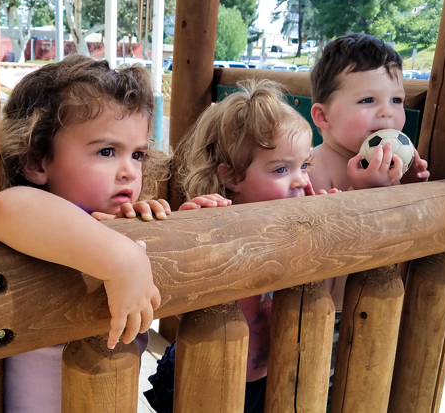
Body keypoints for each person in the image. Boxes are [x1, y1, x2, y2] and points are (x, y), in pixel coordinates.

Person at [0, 55, 228, 412]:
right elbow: (4, 207)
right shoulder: (33, 217)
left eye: (139, 154)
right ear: (37, 161)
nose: (129, 171)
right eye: (107, 151)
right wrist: (122, 258)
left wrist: (182, 228)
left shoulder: (113, 219)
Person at [144, 79, 339, 413]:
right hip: (202, 376)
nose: (301, 180)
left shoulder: (292, 227)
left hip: (268, 379)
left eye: (304, 165)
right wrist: (195, 238)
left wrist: (326, 234)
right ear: (232, 177)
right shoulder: (214, 220)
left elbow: (330, 294)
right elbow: (178, 309)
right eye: (282, 169)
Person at [308, 32, 430, 396]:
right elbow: (312, 237)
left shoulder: (390, 162)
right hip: (322, 314)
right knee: (316, 392)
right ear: (322, 116)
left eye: (396, 100)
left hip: (372, 305)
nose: (387, 112)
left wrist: (408, 188)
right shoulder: (312, 167)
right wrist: (359, 192)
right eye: (367, 100)